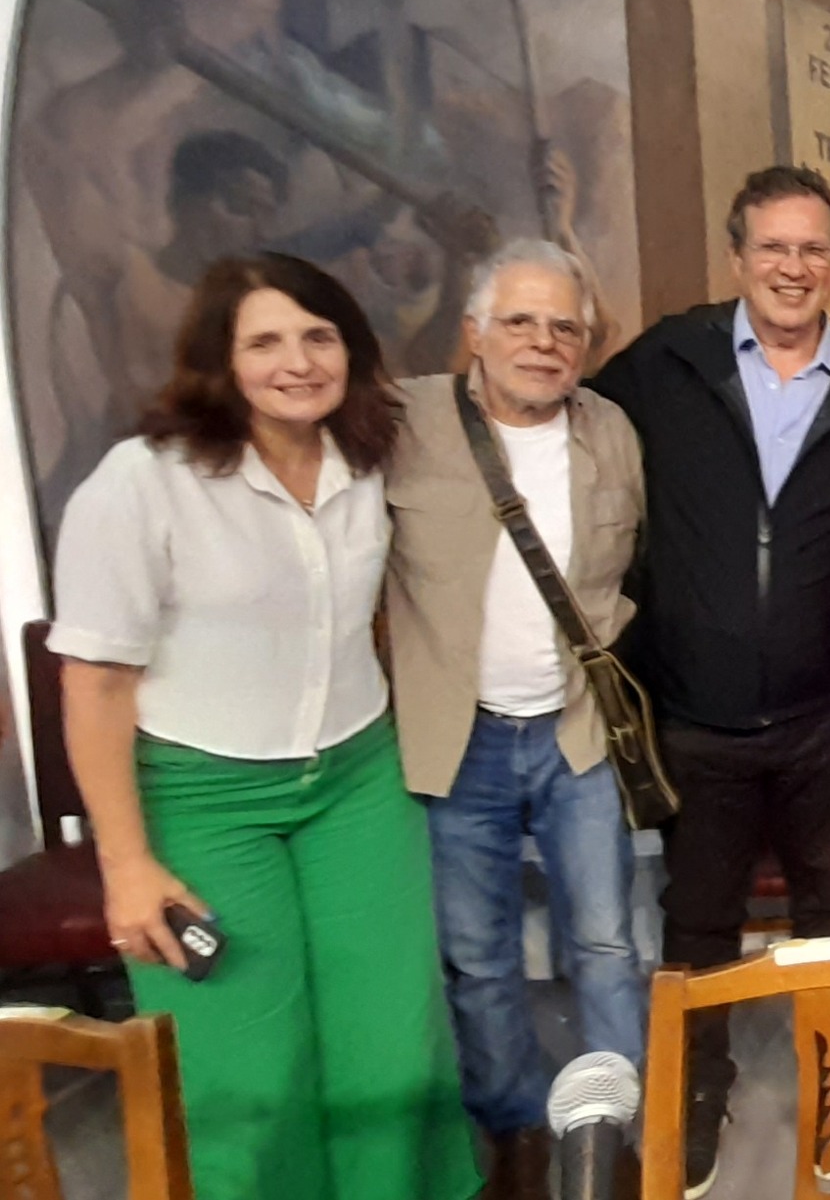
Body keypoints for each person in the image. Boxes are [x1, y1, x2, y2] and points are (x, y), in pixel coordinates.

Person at [46, 253, 480, 1200]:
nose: (298, 362)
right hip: (203, 800)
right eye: (266, 342)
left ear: (350, 349)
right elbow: (96, 684)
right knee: (247, 1069)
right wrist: (126, 866)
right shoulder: (141, 482)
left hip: (357, 784)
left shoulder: (367, 457)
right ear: (220, 357)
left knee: (390, 1044)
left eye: (319, 336)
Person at [589, 165, 830, 1197]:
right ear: (737, 257)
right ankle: (697, 1089)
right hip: (695, 711)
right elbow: (572, 439)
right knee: (697, 916)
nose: (792, 268)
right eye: (773, 247)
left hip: (829, 712)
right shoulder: (665, 363)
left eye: (811, 249)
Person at [384, 238, 646, 1199]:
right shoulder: (404, 420)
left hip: (577, 733)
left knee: (607, 943)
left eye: (565, 327)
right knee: (478, 958)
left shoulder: (611, 430)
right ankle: (516, 1134)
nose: (544, 342)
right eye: (521, 321)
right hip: (459, 740)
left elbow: (634, 564)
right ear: (475, 332)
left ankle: (612, 1133)